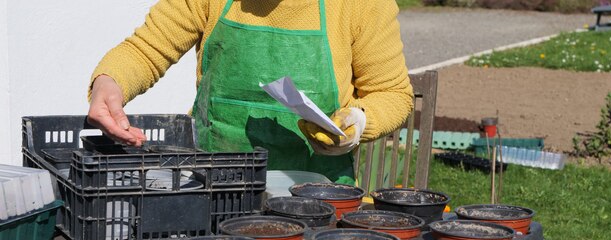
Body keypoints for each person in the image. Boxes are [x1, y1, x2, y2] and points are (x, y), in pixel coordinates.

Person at [88, 0, 413, 184]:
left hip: (317, 200)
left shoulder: (364, 5)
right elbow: (146, 49)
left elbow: (392, 92)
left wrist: (356, 120)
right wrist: (109, 82)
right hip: (212, 190)